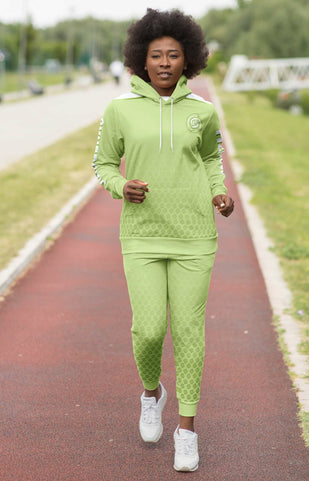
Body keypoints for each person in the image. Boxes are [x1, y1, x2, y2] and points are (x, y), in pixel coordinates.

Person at [93, 8, 234, 472]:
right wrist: (121, 187)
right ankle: (151, 393)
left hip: (195, 234)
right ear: (141, 59)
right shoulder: (119, 110)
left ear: (188, 59)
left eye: (174, 55)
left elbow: (212, 160)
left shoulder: (203, 111)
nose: (166, 63)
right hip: (142, 236)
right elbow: (104, 165)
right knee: (149, 328)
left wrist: (219, 192)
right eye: (157, 55)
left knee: (190, 331)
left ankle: (187, 430)